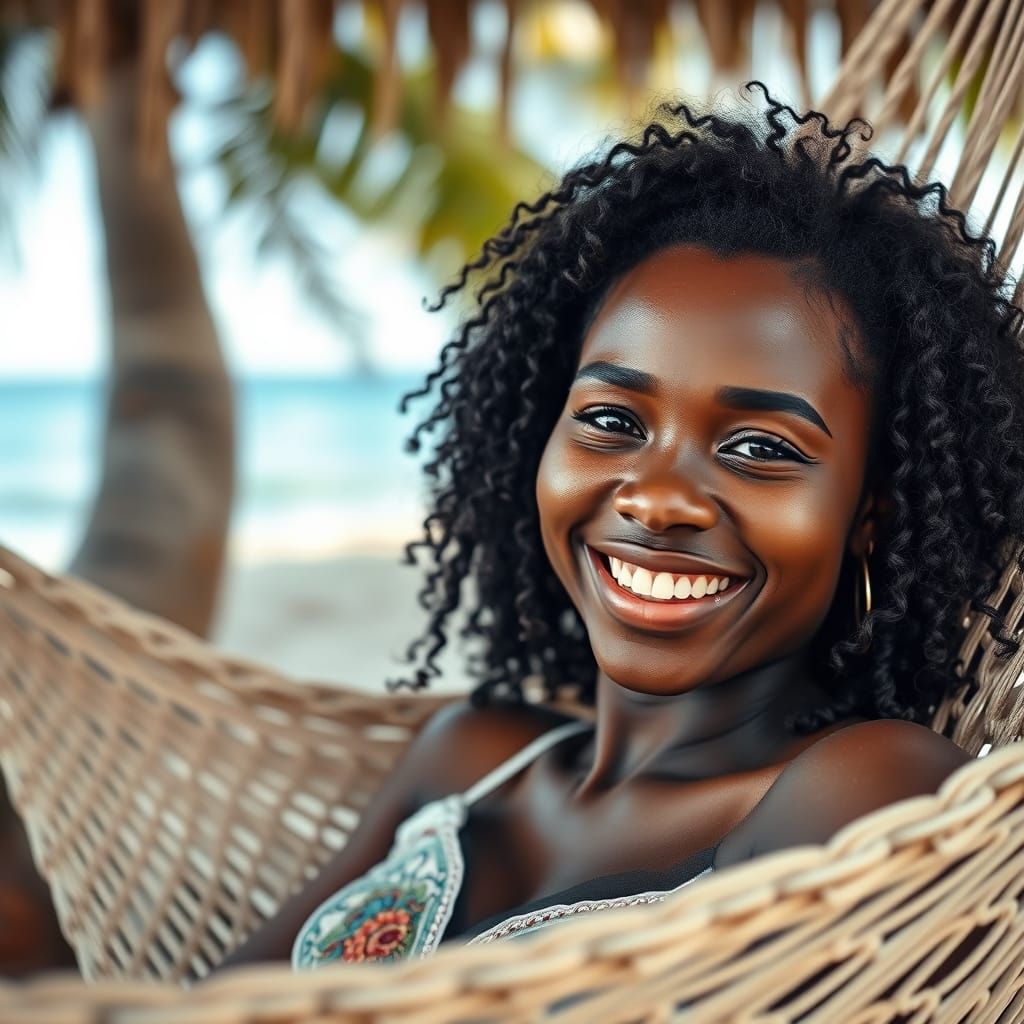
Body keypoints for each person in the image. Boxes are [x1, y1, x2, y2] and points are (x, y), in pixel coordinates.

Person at [213, 83, 1024, 972]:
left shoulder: (862, 789)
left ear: (873, 511)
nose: (655, 498)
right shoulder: (469, 757)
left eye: (759, 446)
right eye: (612, 421)